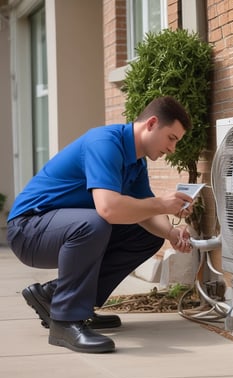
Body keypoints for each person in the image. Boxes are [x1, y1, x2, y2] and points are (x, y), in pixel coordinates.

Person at [7, 96, 194, 354]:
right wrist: (162, 204)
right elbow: (108, 208)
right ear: (151, 123)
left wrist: (172, 233)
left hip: (62, 227)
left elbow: (145, 210)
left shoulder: (136, 162)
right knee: (96, 221)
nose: (172, 148)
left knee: (147, 236)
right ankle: (64, 322)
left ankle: (64, 300)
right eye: (171, 138)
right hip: (28, 229)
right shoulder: (105, 143)